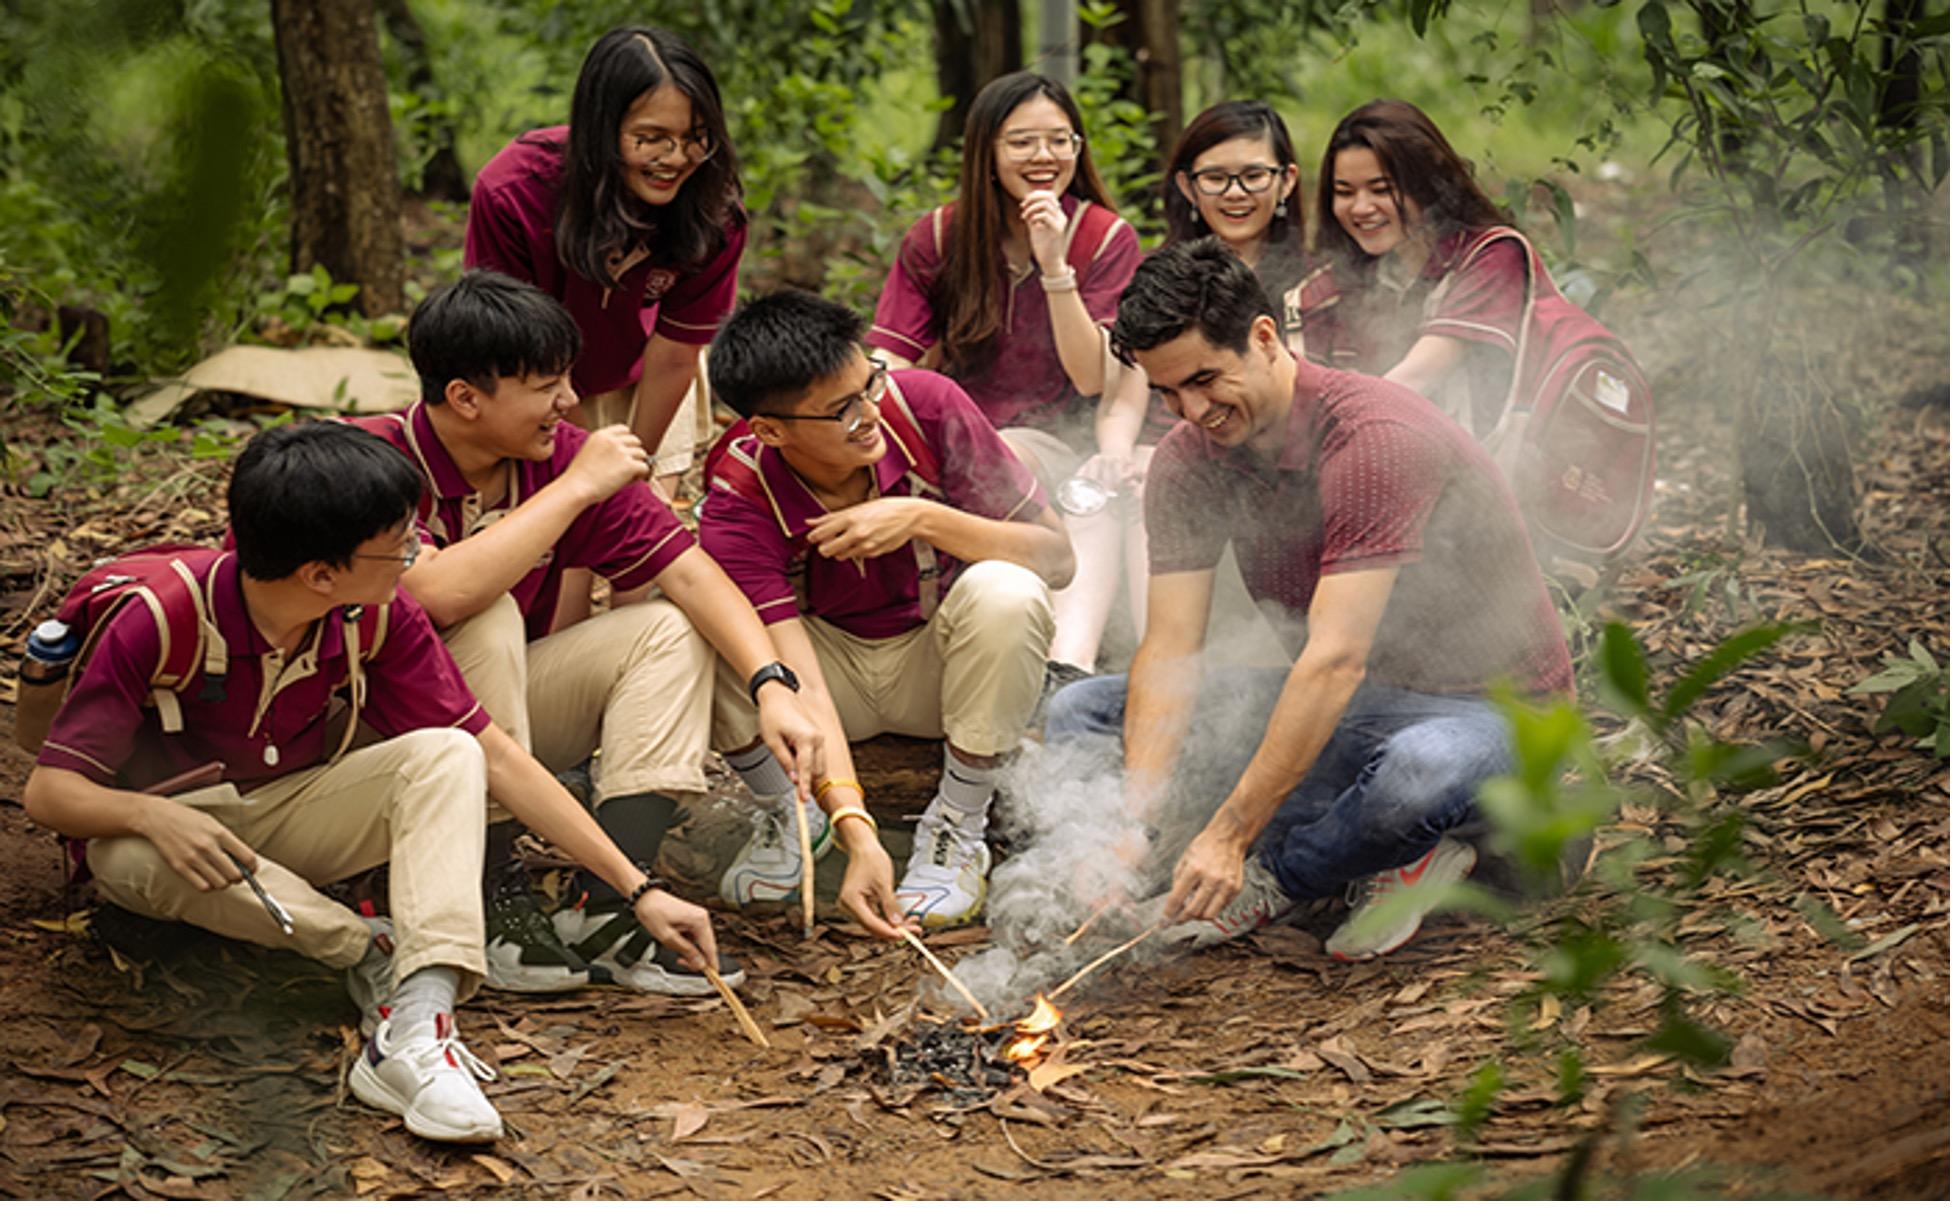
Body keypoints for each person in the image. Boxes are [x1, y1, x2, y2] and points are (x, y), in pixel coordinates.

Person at [21, 423, 724, 1143]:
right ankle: (368, 949)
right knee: (122, 859)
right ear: (320, 572)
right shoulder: (164, 617)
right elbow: (49, 793)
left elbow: (500, 758)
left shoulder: (375, 612)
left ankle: (416, 1024)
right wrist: (150, 816)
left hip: (293, 809)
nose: (417, 555)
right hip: (182, 835)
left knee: (448, 754)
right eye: (400, 544)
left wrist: (637, 889)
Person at [1046, 239, 1574, 960]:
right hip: (1353, 712)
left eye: (1205, 379)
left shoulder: (1373, 441)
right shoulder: (1187, 461)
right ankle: (1379, 845)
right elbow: (1170, 649)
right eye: (1167, 393)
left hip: (1493, 712)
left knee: (1420, 769)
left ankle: (1280, 875)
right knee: (1083, 709)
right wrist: (1130, 821)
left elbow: (1333, 660)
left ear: (1264, 338)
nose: (1192, 411)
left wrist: (1230, 837)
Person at [350, 270, 823, 996]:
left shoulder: (560, 454)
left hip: (499, 724)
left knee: (666, 628)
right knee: (488, 609)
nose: (568, 403)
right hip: (370, 737)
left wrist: (771, 684)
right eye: (546, 387)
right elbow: (440, 594)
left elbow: (691, 575)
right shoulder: (373, 461)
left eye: (566, 381)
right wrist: (575, 489)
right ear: (465, 398)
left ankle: (606, 906)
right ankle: (488, 879)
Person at [700, 290, 1075, 929]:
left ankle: (958, 823)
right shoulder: (740, 490)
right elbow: (798, 678)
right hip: (826, 677)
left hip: (941, 665)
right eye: (841, 410)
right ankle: (793, 814)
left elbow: (1056, 560)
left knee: (1006, 592)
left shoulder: (926, 407)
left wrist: (924, 518)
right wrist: (856, 829)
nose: (868, 412)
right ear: (770, 429)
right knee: (693, 622)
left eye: (868, 382)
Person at [868, 71, 1148, 688]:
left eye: (1059, 140)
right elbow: (891, 358)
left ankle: (1051, 667)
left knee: (1002, 457)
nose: (1043, 156)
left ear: (1079, 149)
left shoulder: (1104, 238)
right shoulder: (941, 236)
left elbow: (1093, 376)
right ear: (988, 154)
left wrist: (1054, 266)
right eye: (1022, 142)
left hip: (1057, 440)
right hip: (956, 434)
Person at [465, 26, 741, 499]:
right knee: (562, 531)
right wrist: (582, 463)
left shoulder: (713, 210)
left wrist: (637, 465)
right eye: (650, 138)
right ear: (600, 129)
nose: (675, 159)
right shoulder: (514, 192)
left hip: (646, 370)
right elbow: (509, 342)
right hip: (529, 376)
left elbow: (675, 352)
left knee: (638, 518)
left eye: (695, 137)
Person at [1289, 98, 1527, 440]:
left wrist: (1337, 434)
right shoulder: (1350, 281)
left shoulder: (1491, 256)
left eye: (1381, 189)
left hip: (1485, 468)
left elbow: (1419, 375)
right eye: (1344, 192)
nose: (1361, 208)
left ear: (1426, 185)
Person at [1162, 100, 1307, 303]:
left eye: (1254, 176)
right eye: (1215, 178)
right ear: (1187, 186)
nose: (1235, 192)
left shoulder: (1318, 284)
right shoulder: (1155, 283)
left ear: (1286, 180)